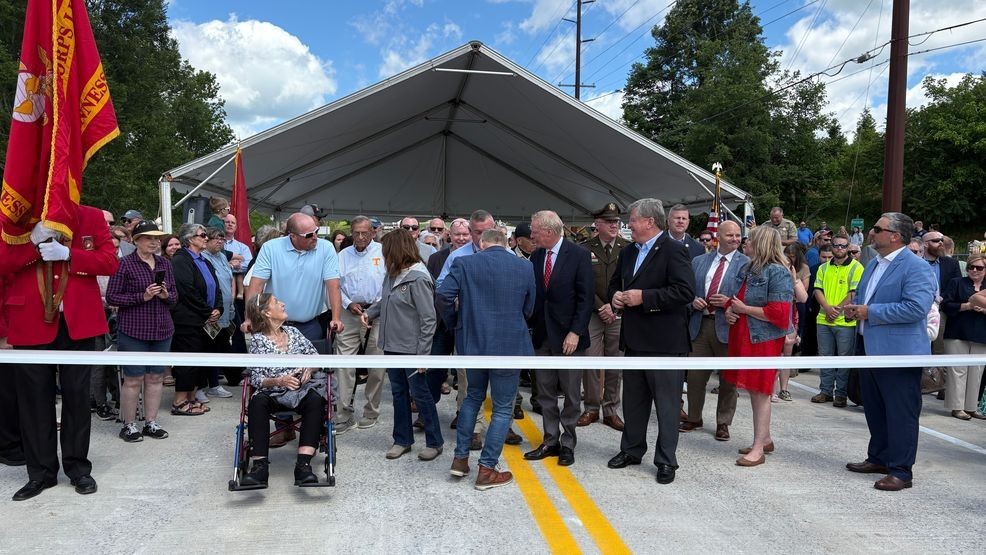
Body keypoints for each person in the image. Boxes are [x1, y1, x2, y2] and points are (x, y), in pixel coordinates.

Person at [1, 206, 119, 500]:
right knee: (34, 401)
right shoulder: (15, 219)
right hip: (29, 320)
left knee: (77, 398)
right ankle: (40, 473)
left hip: (77, 322)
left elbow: (109, 262)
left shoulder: (90, 217)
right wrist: (31, 243)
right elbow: (3, 264)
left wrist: (70, 256)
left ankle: (78, 468)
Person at [843, 213, 936, 491]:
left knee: (900, 412)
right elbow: (864, 299)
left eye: (877, 229)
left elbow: (916, 308)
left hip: (900, 352)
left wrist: (869, 312)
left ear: (895, 235)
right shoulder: (872, 264)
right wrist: (854, 308)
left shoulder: (916, 267)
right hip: (869, 348)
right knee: (874, 408)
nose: (871, 233)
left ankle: (901, 471)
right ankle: (880, 457)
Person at [437, 229, 536, 490]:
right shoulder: (524, 267)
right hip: (510, 344)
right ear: (507, 244)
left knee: (472, 397)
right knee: (503, 407)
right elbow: (530, 307)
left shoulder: (465, 262)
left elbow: (444, 296)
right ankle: (487, 469)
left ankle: (460, 460)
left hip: (473, 343)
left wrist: (455, 323)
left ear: (481, 243)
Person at [607, 198, 694, 485]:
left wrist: (645, 298)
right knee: (634, 402)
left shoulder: (673, 250)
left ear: (649, 222)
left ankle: (666, 461)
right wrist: (616, 298)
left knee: (667, 407)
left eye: (632, 219)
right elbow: (616, 283)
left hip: (665, 344)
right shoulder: (629, 251)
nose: (628, 224)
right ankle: (631, 450)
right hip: (634, 340)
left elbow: (684, 292)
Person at [362, 230, 440, 460]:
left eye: (386, 250)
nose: (383, 255)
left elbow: (429, 319)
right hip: (392, 346)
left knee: (420, 394)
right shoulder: (393, 275)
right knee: (399, 394)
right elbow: (385, 301)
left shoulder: (419, 278)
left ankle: (434, 442)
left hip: (412, 350)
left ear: (396, 250)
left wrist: (422, 356)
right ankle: (402, 439)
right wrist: (370, 313)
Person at [524, 210, 594, 467]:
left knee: (572, 395)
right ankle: (550, 440)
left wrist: (575, 332)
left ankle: (568, 443)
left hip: (569, 339)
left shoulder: (579, 255)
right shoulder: (536, 255)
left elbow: (585, 299)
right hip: (542, 337)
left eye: (534, 230)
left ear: (549, 231)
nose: (531, 235)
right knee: (545, 393)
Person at [721, 226, 794, 466]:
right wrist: (730, 310)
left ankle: (758, 448)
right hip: (744, 336)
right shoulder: (748, 268)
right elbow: (735, 297)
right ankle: (765, 438)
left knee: (761, 391)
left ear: (760, 243)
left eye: (750, 239)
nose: (745, 242)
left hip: (762, 340)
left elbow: (780, 314)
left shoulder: (778, 272)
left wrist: (743, 310)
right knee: (754, 390)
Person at [239, 294, 329, 487]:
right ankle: (260, 468)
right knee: (257, 402)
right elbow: (256, 378)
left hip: (300, 389)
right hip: (272, 391)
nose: (282, 303)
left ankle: (303, 466)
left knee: (316, 399)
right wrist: (279, 380)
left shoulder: (294, 332)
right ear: (266, 312)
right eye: (276, 302)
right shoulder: (258, 341)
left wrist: (309, 369)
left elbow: (315, 357)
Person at [105, 221, 177, 442]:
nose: (155, 242)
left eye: (157, 239)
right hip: (134, 329)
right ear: (136, 240)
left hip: (162, 329)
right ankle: (129, 425)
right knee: (133, 378)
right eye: (149, 238)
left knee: (155, 377)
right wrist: (142, 296)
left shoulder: (165, 263)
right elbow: (112, 297)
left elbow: (175, 297)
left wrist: (165, 295)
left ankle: (151, 422)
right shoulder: (124, 264)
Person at [682, 220, 748, 441]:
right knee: (695, 378)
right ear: (718, 236)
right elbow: (686, 290)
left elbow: (750, 296)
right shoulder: (699, 261)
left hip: (729, 327)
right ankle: (693, 417)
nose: (736, 239)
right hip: (700, 325)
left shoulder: (746, 263)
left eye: (738, 235)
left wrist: (729, 302)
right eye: (730, 235)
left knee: (728, 380)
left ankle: (723, 422)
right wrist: (693, 301)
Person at [243, 212, 344, 342]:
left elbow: (334, 286)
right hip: (272, 325)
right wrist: (249, 318)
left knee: (308, 363)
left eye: (316, 231)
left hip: (309, 326)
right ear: (293, 236)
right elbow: (256, 286)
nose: (315, 237)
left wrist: (336, 318)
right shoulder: (270, 248)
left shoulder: (326, 248)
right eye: (309, 235)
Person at [334, 215, 387, 433]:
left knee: (377, 365)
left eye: (365, 232)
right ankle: (343, 414)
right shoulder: (342, 255)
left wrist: (374, 310)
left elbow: (389, 286)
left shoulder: (383, 252)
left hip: (377, 313)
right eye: (356, 232)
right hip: (350, 312)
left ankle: (371, 411)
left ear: (373, 233)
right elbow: (335, 285)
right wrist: (347, 304)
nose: (361, 236)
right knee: (344, 364)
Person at [578, 203, 629, 431]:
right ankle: (591, 407)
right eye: (609, 222)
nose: (614, 225)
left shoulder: (628, 248)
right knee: (591, 361)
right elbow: (582, 284)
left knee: (614, 363)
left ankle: (611, 410)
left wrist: (615, 306)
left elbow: (630, 281)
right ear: (597, 224)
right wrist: (601, 307)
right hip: (593, 313)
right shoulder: (583, 249)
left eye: (616, 222)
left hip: (619, 312)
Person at [169, 223, 223, 417]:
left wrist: (218, 308)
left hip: (204, 320)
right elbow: (187, 290)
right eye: (202, 235)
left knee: (198, 361)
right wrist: (208, 311)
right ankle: (179, 401)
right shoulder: (181, 260)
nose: (206, 238)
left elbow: (216, 287)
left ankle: (191, 398)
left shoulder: (204, 260)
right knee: (187, 362)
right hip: (187, 321)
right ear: (190, 239)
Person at [810, 232, 864, 408]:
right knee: (825, 357)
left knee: (843, 359)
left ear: (848, 247)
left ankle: (840, 394)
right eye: (836, 245)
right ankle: (825, 391)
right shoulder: (823, 268)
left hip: (845, 321)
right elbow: (817, 289)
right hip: (824, 319)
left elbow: (853, 293)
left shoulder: (857, 268)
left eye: (843, 245)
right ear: (831, 247)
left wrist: (837, 310)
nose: (839, 248)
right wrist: (827, 308)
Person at [940, 253, 986, 420]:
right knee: (957, 370)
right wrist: (966, 306)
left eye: (979, 267)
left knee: (977, 371)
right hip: (957, 332)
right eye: (971, 267)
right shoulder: (957, 283)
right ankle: (957, 407)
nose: (974, 270)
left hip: (981, 334)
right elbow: (945, 305)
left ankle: (971, 407)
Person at [200, 227, 236, 396]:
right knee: (209, 349)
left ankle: (215, 383)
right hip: (212, 312)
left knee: (219, 347)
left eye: (222, 238)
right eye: (216, 238)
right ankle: (210, 385)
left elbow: (229, 282)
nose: (220, 241)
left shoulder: (222, 256)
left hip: (225, 310)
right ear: (206, 241)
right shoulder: (203, 258)